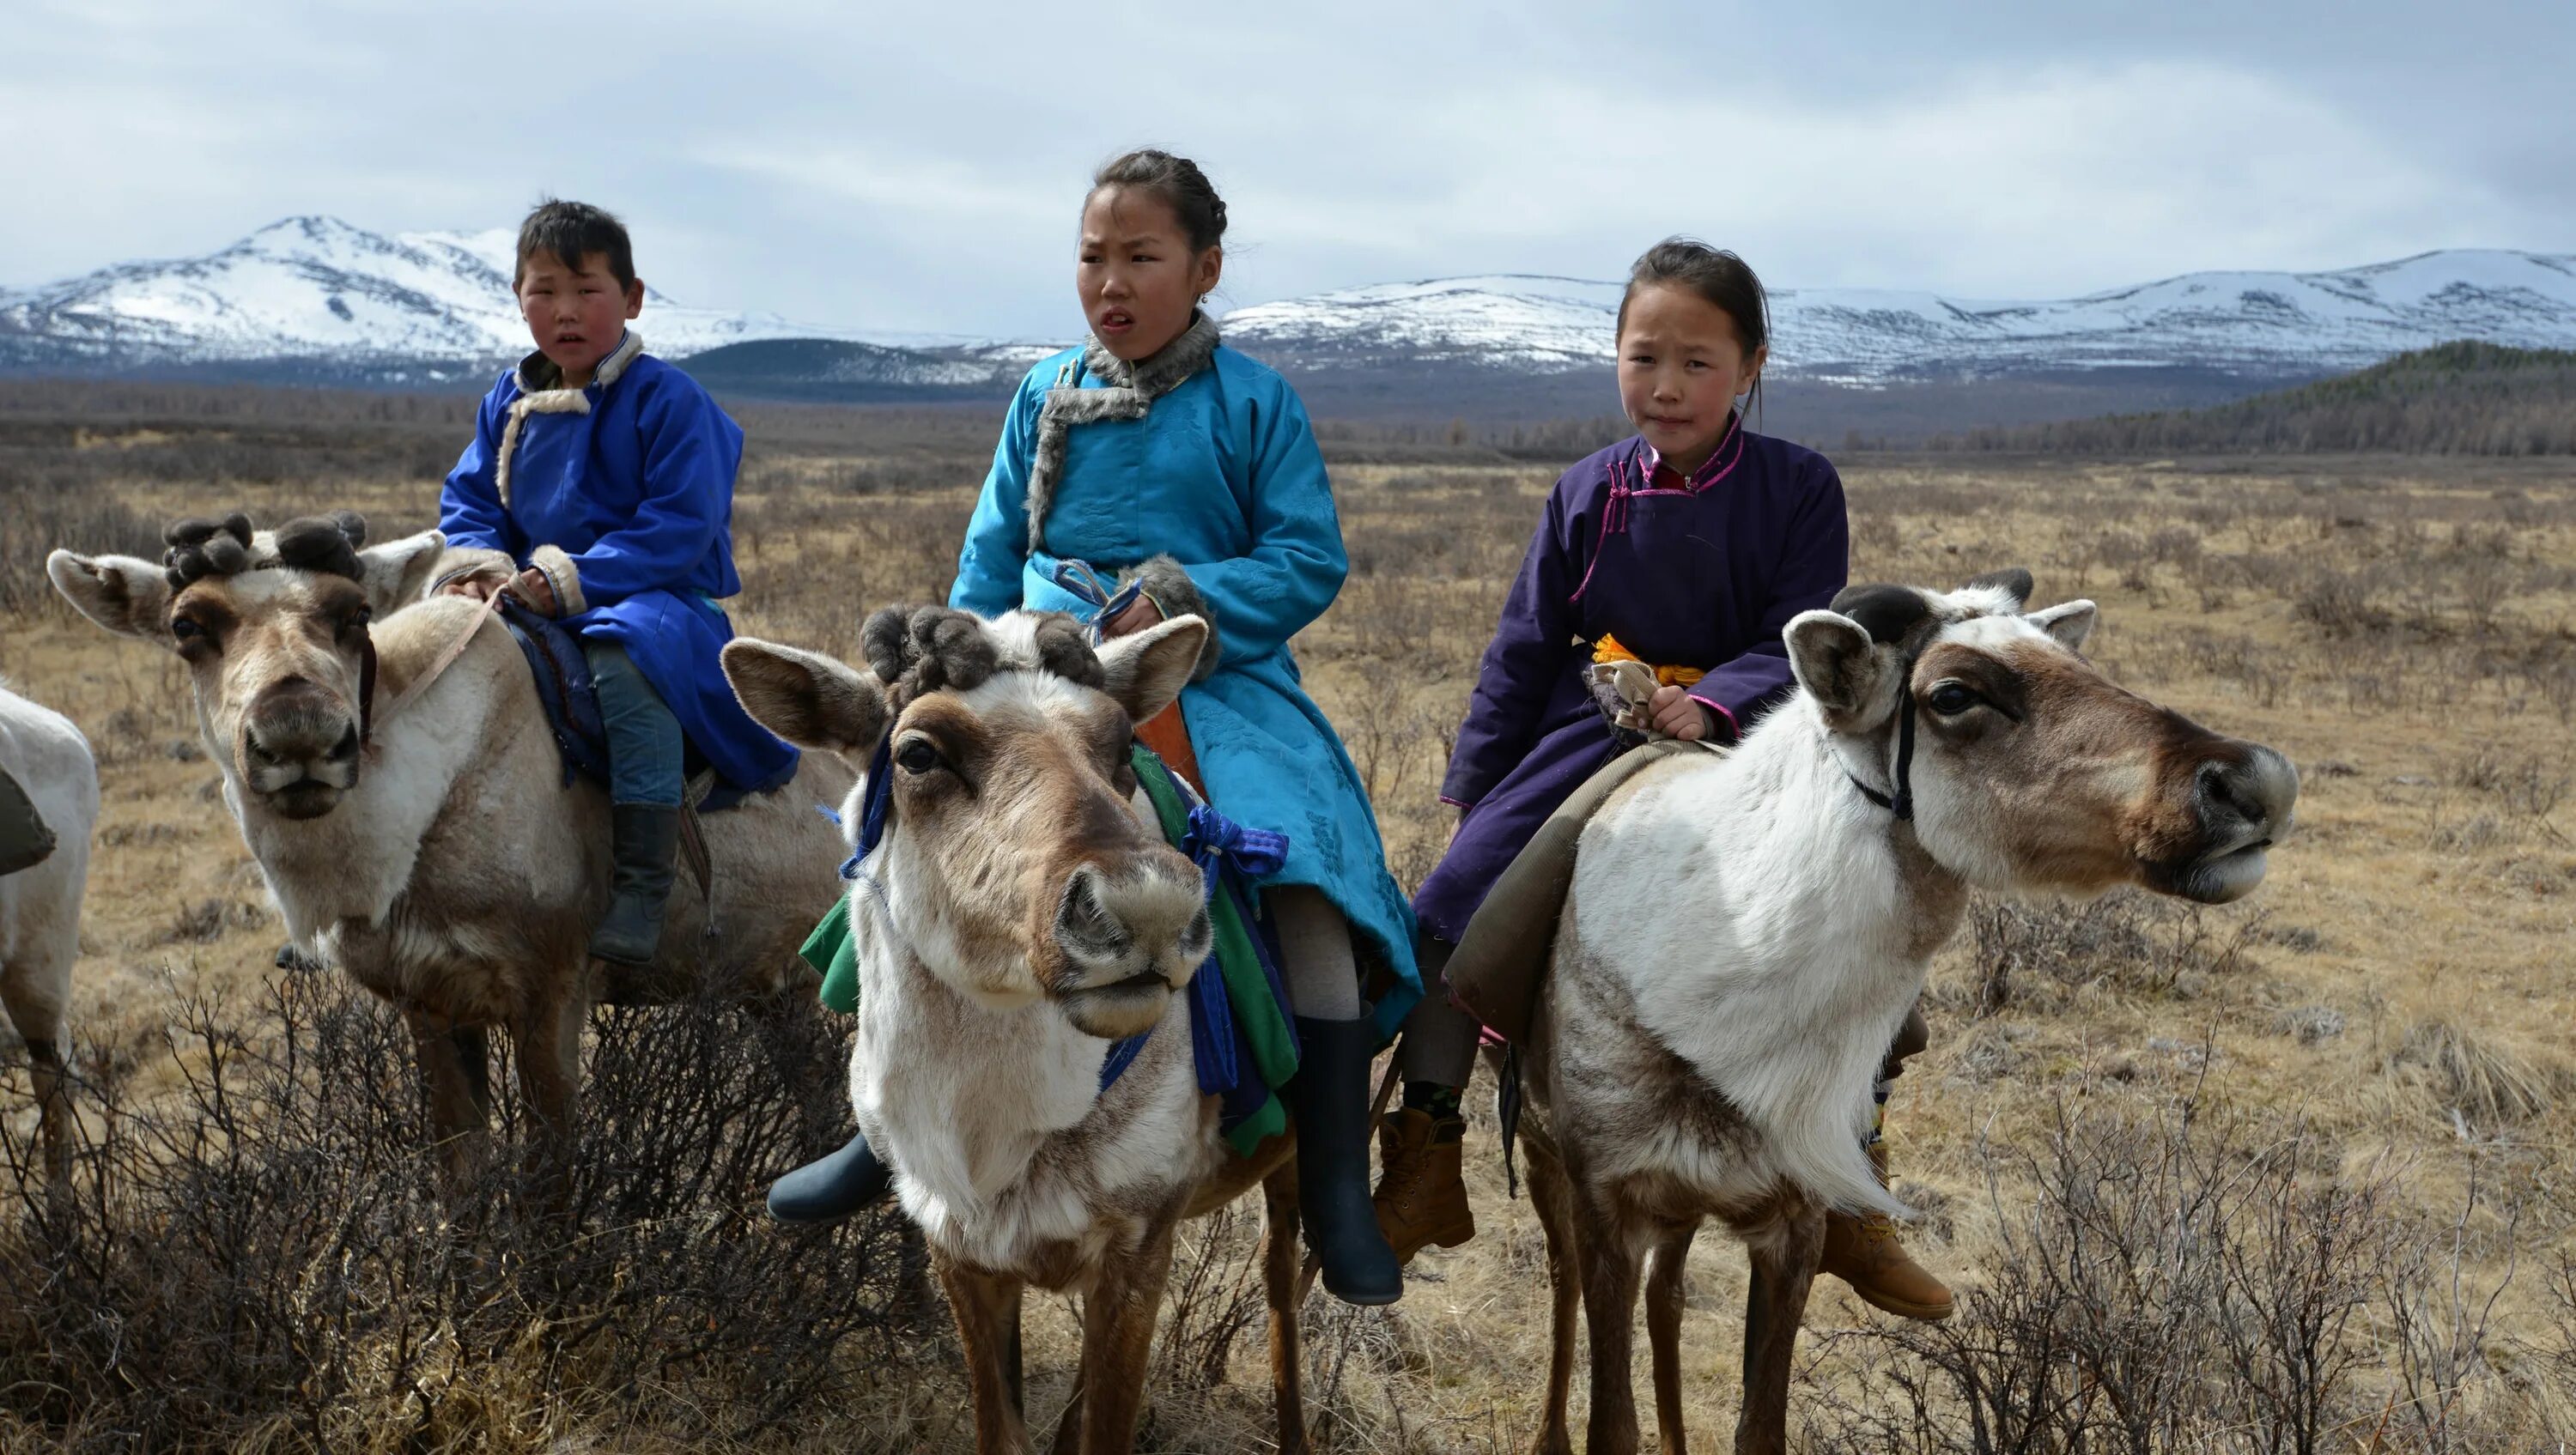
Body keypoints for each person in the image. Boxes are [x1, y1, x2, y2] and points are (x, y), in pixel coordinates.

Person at [766, 149, 1421, 1307]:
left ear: (1204, 267)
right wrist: (955, 653)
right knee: (902, 852)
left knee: (1304, 874)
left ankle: (1331, 1180)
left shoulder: (1256, 401)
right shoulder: (1043, 391)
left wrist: (1180, 595)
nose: (1110, 282)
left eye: (1141, 257)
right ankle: (887, 1130)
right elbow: (984, 553)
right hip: (1033, 674)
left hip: (1207, 680)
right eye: (1091, 257)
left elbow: (1308, 557)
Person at [1375, 239, 1953, 1321]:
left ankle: (1855, 1190)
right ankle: (1427, 1151)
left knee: (1863, 921)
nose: (1666, 385)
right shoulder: (1585, 490)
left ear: (1750, 368)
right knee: (1450, 908)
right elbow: (1525, 647)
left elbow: (1803, 622)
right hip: (1587, 739)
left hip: (1757, 747)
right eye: (1645, 359)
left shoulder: (1796, 487)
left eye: (1696, 362)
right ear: (1615, 361)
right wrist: (1477, 784)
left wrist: (1719, 697)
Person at [434, 200, 795, 971]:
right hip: (528, 593)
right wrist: (480, 569)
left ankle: (641, 883)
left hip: (657, 601)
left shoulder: (668, 399)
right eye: (543, 291)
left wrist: (570, 579)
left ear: (631, 299)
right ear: (517, 298)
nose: (564, 311)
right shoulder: (507, 403)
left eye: (587, 289)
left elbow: (679, 523)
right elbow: (469, 501)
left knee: (625, 662)